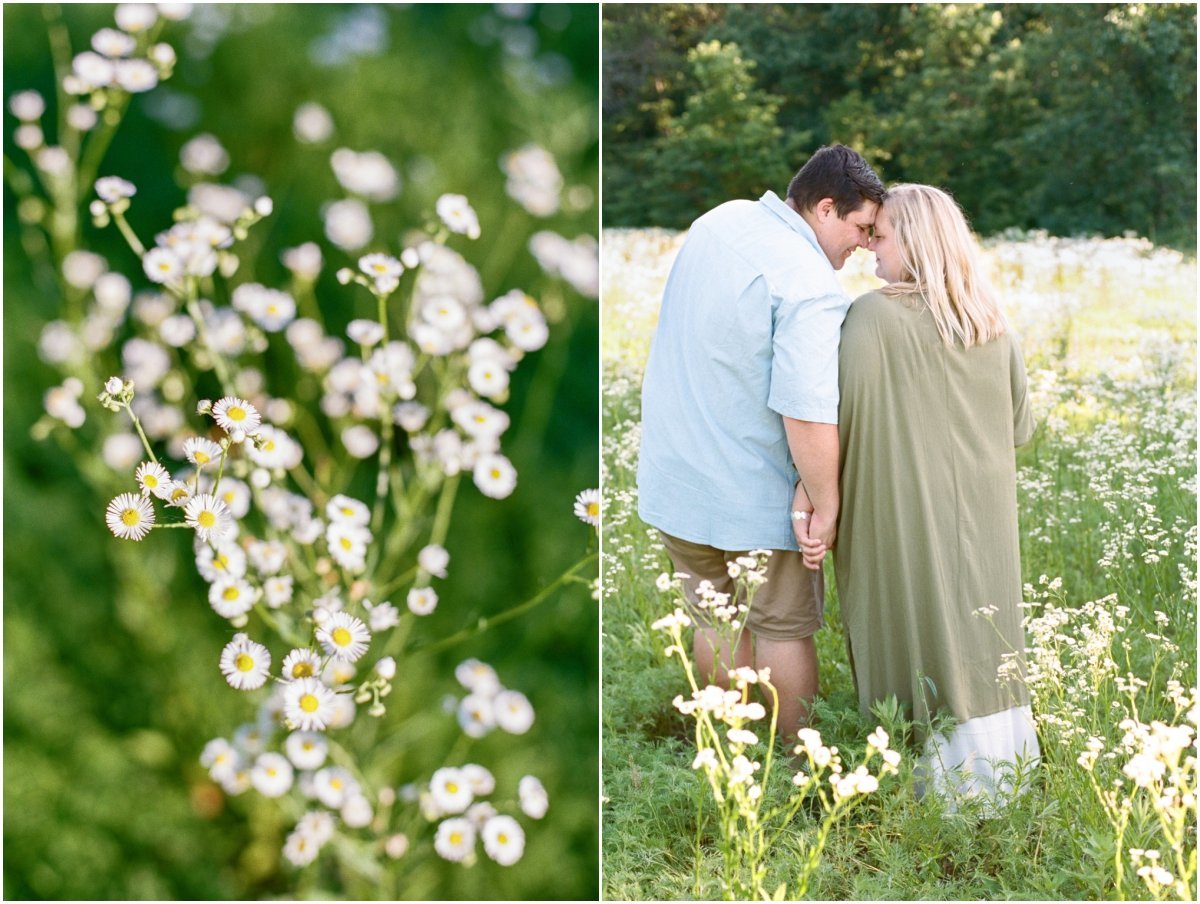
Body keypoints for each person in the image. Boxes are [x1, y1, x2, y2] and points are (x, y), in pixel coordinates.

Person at [637, 145, 885, 740]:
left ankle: (729, 755)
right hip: (753, 494)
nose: (865, 245)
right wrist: (825, 504)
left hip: (677, 478)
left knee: (716, 621)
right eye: (861, 227)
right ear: (826, 208)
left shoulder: (718, 221)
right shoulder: (807, 283)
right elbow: (806, 411)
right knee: (782, 629)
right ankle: (796, 766)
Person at [814, 183, 1040, 804]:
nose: (870, 251)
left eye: (880, 237)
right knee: (983, 636)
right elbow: (1020, 428)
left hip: (897, 514)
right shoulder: (994, 325)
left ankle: (924, 790)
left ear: (915, 242)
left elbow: (838, 421)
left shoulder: (872, 317)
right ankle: (1003, 785)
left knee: (907, 627)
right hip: (984, 524)